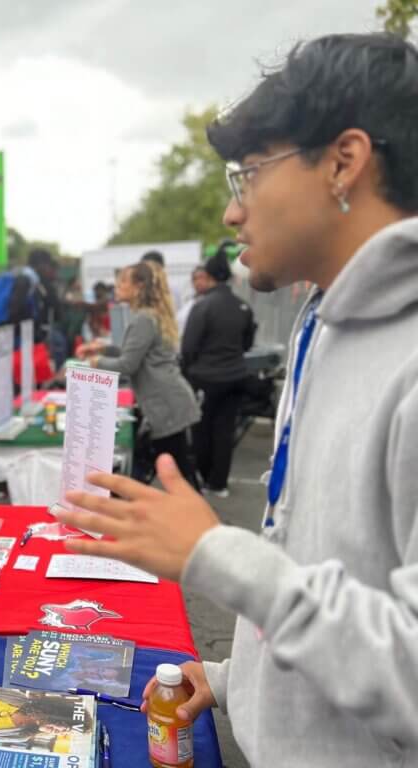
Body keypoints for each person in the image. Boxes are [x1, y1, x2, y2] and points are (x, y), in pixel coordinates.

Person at [57, 33, 418, 767]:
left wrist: (214, 553)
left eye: (249, 174)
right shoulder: (326, 319)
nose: (232, 212)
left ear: (344, 162)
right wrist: (236, 680)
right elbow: (327, 570)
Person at [77, 262, 199, 486]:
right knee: (173, 472)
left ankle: (199, 519)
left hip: (165, 404)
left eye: (123, 281)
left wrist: (95, 362)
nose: (117, 286)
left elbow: (127, 365)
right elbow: (134, 354)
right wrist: (102, 349)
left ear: (139, 286)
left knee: (178, 477)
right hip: (169, 401)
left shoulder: (143, 318)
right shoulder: (149, 315)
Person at [181, 251, 257, 497]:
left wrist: (189, 372)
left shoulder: (202, 306)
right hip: (235, 376)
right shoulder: (242, 306)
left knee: (202, 430)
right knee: (225, 431)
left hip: (206, 378)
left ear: (210, 276)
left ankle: (205, 477)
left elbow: (188, 347)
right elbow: (247, 343)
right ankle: (219, 483)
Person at [176, 265, 210, 338]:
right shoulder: (188, 305)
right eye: (195, 279)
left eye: (201, 277)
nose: (198, 282)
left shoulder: (214, 302)